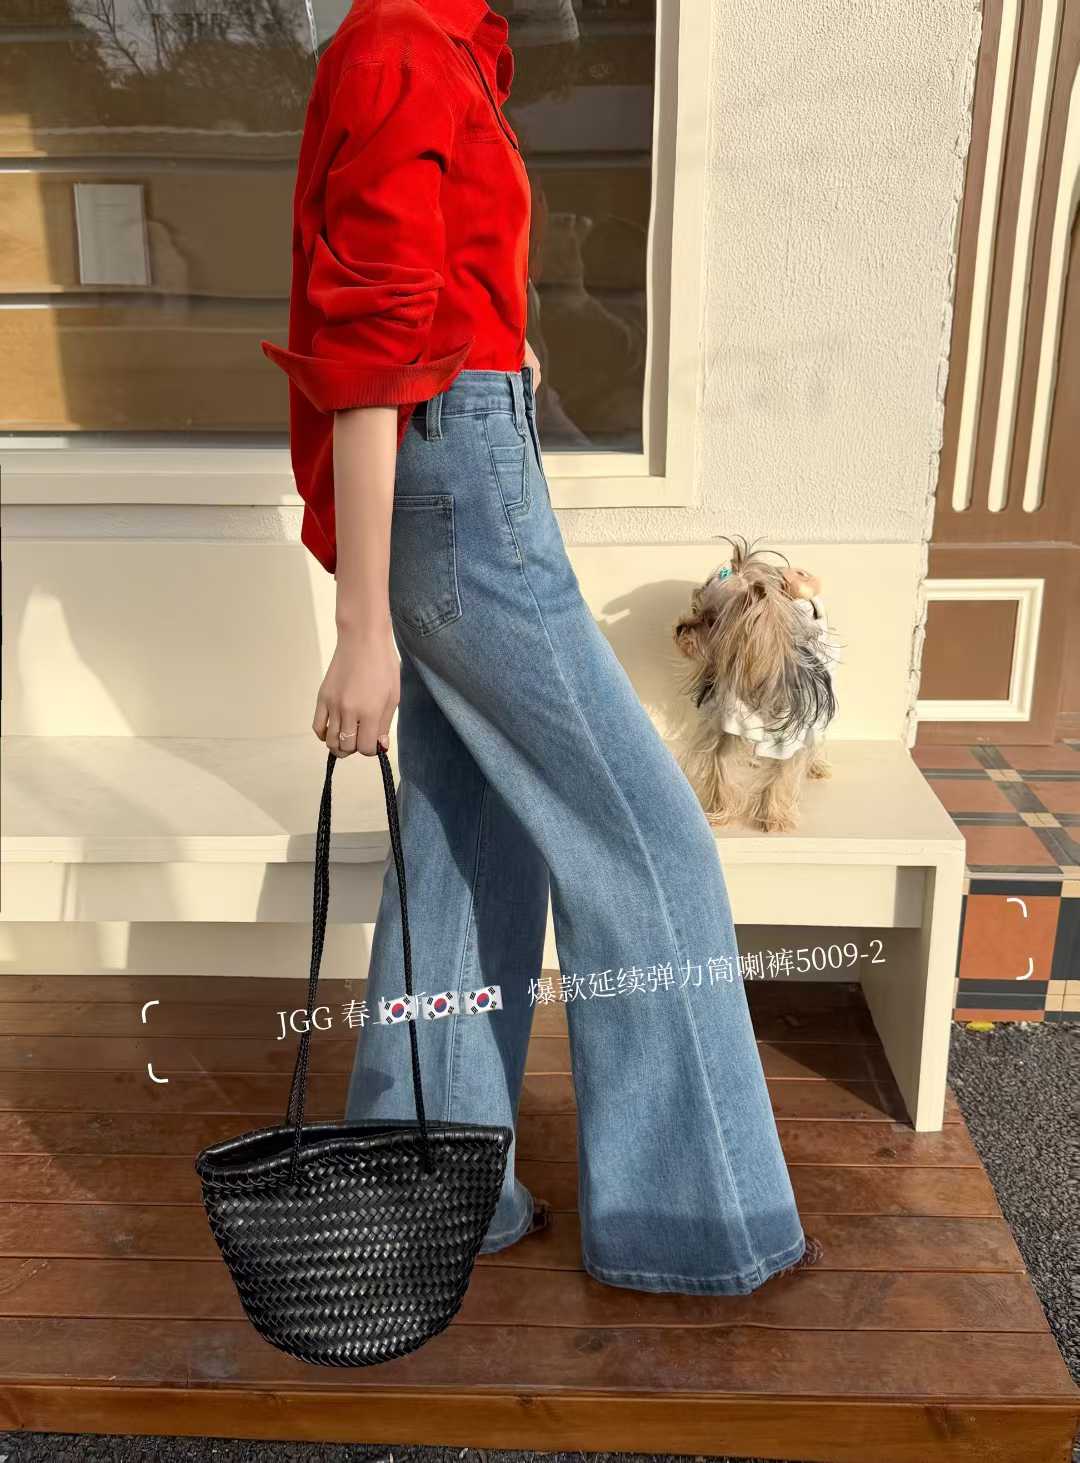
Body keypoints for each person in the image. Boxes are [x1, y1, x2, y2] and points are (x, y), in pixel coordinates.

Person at [262, 0, 820, 1295]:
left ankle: (433, 1196)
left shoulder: (443, 45)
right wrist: (360, 630)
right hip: (458, 490)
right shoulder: (401, 47)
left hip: (472, 472)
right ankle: (695, 1221)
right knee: (652, 843)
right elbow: (370, 356)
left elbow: (444, 309)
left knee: (473, 843)